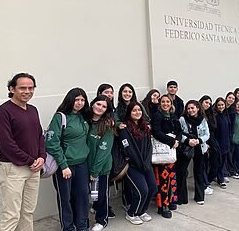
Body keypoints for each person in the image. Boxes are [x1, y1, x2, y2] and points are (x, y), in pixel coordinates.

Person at [0, 73, 45, 231]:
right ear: (12, 89)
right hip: (13, 169)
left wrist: (42, 157)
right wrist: (31, 160)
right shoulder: (3, 111)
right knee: (12, 215)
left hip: (34, 168)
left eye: (31, 88)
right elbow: (7, 144)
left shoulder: (33, 110)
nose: (27, 91)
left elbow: (39, 136)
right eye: (22, 88)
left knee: (27, 212)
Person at [46, 88, 90, 231]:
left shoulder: (84, 117)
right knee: (66, 198)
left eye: (82, 100)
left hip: (82, 164)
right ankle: (68, 227)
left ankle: (82, 225)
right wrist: (63, 165)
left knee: (83, 196)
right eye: (77, 99)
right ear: (70, 99)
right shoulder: (60, 117)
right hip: (65, 166)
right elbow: (52, 143)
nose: (79, 103)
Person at [119, 102, 157, 225]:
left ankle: (141, 211)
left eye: (139, 110)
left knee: (152, 188)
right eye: (134, 110)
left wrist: (147, 162)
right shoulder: (125, 129)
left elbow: (149, 147)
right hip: (133, 166)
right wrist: (140, 163)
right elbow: (128, 149)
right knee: (142, 190)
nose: (137, 112)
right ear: (129, 113)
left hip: (146, 165)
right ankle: (132, 213)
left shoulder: (145, 127)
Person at [151, 94, 182, 218]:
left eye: (167, 102)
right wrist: (171, 141)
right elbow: (156, 132)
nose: (165, 104)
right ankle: (162, 206)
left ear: (171, 103)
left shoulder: (174, 116)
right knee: (162, 180)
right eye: (163, 102)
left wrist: (177, 141)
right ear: (160, 103)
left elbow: (179, 131)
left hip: (172, 151)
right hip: (162, 153)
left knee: (171, 177)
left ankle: (170, 200)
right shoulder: (157, 116)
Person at [87, 95, 115, 231]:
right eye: (98, 104)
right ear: (92, 104)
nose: (100, 108)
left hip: (101, 168)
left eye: (104, 106)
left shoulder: (107, 126)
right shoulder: (85, 121)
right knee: (87, 196)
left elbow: (103, 151)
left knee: (101, 195)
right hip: (83, 166)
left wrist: (95, 171)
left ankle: (101, 220)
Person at [177, 100, 210, 205]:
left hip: (199, 147)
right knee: (181, 171)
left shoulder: (203, 120)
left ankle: (199, 197)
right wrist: (187, 141)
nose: (190, 110)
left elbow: (207, 134)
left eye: (192, 108)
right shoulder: (182, 119)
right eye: (188, 108)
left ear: (198, 108)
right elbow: (179, 133)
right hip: (186, 148)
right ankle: (181, 198)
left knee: (199, 172)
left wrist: (199, 140)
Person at [199, 95, 220, 196]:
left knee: (214, 161)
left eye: (209, 103)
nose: (208, 105)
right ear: (201, 102)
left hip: (210, 139)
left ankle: (208, 180)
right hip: (202, 141)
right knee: (202, 164)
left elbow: (213, 127)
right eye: (206, 102)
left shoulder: (210, 114)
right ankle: (204, 185)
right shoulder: (198, 114)